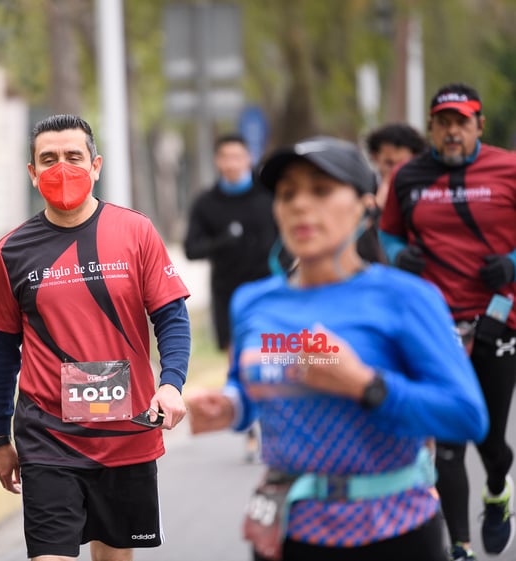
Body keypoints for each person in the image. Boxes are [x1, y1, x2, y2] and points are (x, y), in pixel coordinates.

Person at [187, 136, 488, 561]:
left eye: (322, 190)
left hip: (392, 531)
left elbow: (466, 416)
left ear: (366, 208)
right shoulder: (253, 302)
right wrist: (230, 406)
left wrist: (366, 385)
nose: (301, 206)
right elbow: (248, 389)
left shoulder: (406, 298)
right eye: (287, 194)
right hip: (289, 531)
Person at [0, 114, 191, 561]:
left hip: (126, 432)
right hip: (47, 436)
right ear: (32, 173)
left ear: (95, 165)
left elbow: (171, 316)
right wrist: (0, 436)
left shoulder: (136, 232)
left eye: (73, 157)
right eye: (48, 159)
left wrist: (170, 384)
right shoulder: (12, 250)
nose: (62, 168)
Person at [379, 83, 516, 561]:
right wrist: (400, 257)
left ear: (479, 125)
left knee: (490, 439)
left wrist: (513, 263)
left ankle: (498, 489)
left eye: (462, 121)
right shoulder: (407, 176)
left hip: (500, 314)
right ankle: (459, 547)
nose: (452, 131)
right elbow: (388, 233)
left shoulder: (509, 168)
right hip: (435, 321)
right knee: (450, 442)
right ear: (432, 128)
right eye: (443, 122)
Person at [183, 134, 276, 461]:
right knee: (238, 360)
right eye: (226, 157)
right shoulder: (207, 203)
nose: (233, 163)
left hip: (270, 291)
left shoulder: (269, 195)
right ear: (218, 162)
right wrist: (223, 241)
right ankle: (251, 425)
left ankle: (271, 421)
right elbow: (191, 249)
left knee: (270, 356)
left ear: (248, 159)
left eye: (239, 157)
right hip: (228, 293)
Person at [364, 123, 427, 209]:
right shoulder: (360, 190)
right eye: (389, 164)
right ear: (375, 157)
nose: (396, 171)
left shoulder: (427, 191)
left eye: (403, 164)